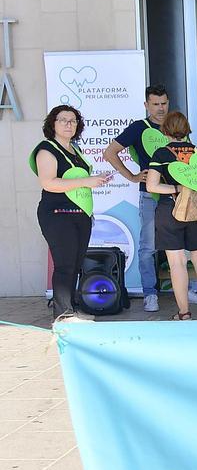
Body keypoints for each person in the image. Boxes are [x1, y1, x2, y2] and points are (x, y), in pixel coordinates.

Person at [33, 105, 113, 318]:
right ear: (53, 124)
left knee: (76, 264)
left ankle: (72, 310)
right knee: (65, 265)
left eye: (73, 120)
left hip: (80, 215)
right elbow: (49, 183)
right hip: (58, 214)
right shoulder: (46, 149)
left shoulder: (74, 150)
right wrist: (87, 181)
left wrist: (96, 180)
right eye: (63, 120)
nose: (69, 124)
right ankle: (63, 315)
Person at [103, 84, 174, 312]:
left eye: (164, 103)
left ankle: (183, 288)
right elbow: (109, 152)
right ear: (146, 105)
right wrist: (132, 177)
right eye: (155, 104)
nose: (160, 108)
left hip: (176, 193)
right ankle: (150, 293)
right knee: (148, 246)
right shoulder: (138, 127)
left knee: (179, 244)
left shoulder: (175, 125)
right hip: (150, 194)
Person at [144, 111, 197, 319]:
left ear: (165, 130)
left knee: (177, 262)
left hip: (170, 210)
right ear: (187, 129)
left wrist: (176, 188)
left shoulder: (161, 154)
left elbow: (152, 186)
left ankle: (184, 312)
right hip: (196, 210)